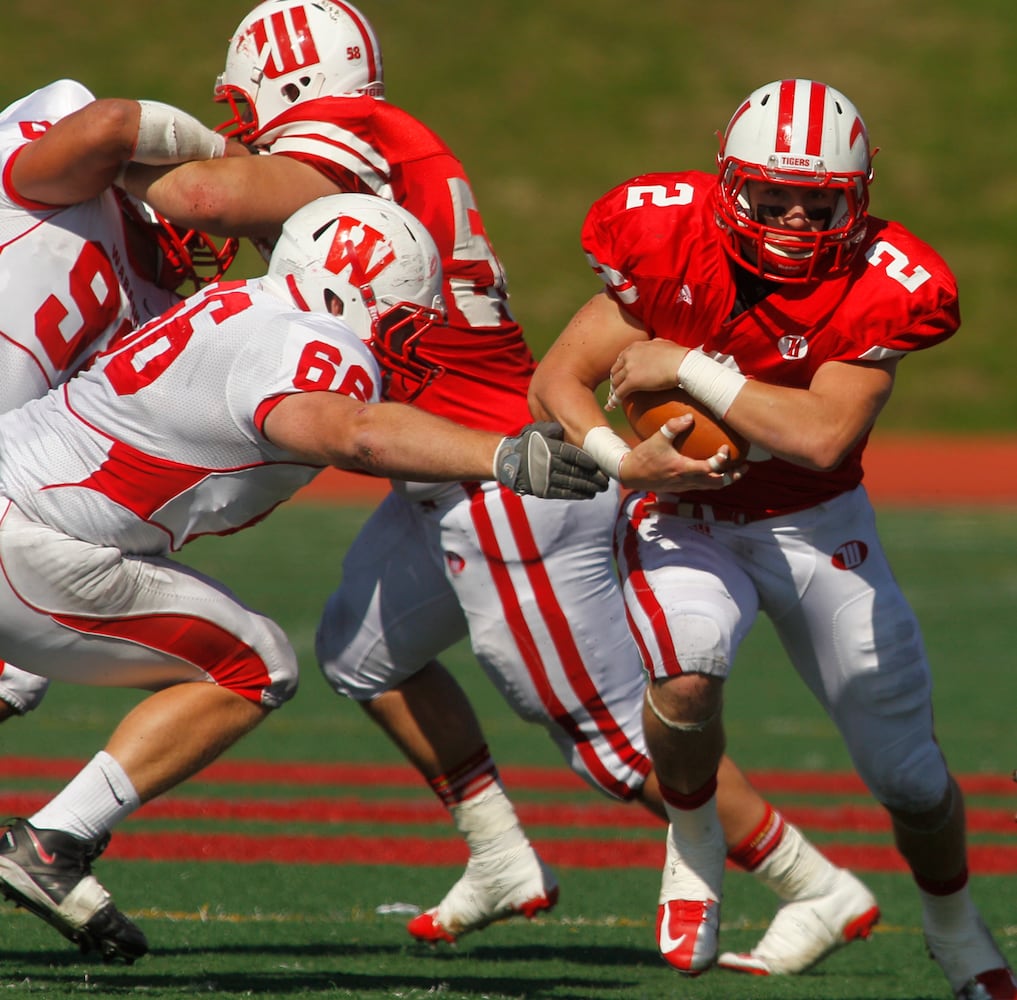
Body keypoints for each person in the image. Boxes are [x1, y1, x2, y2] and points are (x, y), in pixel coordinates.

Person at [121, 2, 879, 972]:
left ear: (289, 84)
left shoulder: (347, 138)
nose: (233, 124)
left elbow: (212, 200)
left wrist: (115, 155)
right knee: (362, 653)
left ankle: (815, 882)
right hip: (446, 469)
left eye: (238, 104)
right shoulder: (388, 141)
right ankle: (501, 856)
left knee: (611, 742)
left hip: (503, 483)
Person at [0, 191, 605, 963]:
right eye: (396, 317)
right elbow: (349, 432)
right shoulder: (310, 338)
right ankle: (55, 841)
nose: (402, 339)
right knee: (254, 666)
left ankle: (54, 844)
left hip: (29, 502)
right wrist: (502, 454)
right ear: (343, 292)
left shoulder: (234, 303)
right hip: (33, 537)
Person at [528, 78, 1017, 998]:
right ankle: (695, 838)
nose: (795, 216)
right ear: (729, 185)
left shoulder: (887, 281)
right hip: (684, 516)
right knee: (684, 674)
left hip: (813, 520)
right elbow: (559, 375)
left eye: (819, 200)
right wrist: (615, 459)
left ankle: (953, 926)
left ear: (856, 197)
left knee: (909, 778)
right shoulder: (662, 234)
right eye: (773, 195)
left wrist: (687, 367)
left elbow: (824, 434)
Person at [0, 78, 240, 725]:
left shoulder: (156, 312)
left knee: (18, 669)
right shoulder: (65, 176)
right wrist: (231, 161)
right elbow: (108, 125)